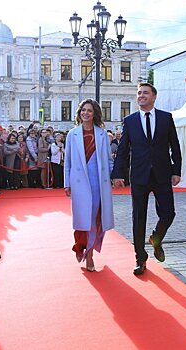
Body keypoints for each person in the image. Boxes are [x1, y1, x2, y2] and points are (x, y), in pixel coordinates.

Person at [112, 82, 182, 275]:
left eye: (145, 93)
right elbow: (123, 150)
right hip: (139, 176)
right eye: (139, 93)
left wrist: (177, 170)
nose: (141, 95)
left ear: (154, 97)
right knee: (138, 218)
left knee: (168, 213)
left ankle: (156, 238)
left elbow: (175, 146)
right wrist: (118, 174)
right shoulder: (130, 120)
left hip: (162, 174)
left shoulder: (166, 118)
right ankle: (140, 259)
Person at [64, 99, 114, 272]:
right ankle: (79, 245)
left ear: (95, 114)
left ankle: (90, 255)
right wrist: (66, 184)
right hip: (78, 183)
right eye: (83, 110)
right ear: (79, 113)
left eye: (89, 111)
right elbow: (68, 162)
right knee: (80, 219)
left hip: (98, 183)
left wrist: (112, 178)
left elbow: (108, 160)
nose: (86, 113)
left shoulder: (101, 134)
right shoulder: (72, 134)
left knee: (94, 219)